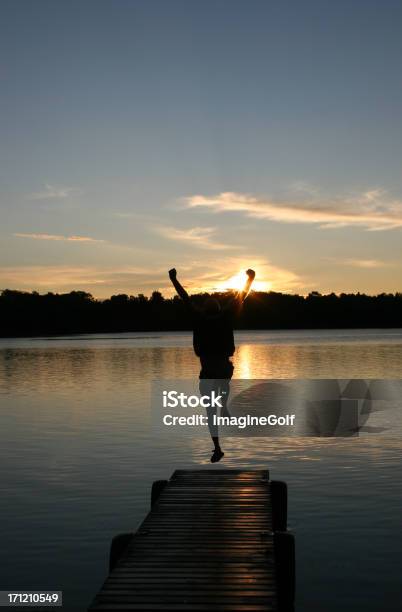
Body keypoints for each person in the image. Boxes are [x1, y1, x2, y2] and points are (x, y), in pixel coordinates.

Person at [168, 267, 255, 462]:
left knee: (210, 412)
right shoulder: (224, 316)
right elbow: (242, 296)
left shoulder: (201, 318)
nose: (210, 300)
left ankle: (217, 445)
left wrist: (173, 279)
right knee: (222, 384)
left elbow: (185, 298)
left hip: (209, 371)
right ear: (216, 308)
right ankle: (223, 409)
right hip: (221, 370)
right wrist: (251, 278)